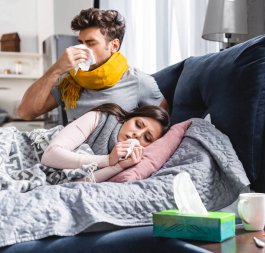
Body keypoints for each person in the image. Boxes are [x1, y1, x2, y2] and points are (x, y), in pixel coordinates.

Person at [17, 8, 168, 124]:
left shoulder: (138, 81)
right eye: (80, 43)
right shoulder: (69, 81)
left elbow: (162, 124)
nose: (82, 49)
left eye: (90, 43)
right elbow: (25, 113)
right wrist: (56, 69)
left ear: (114, 45)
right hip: (69, 156)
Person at [41, 103, 170, 183]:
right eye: (138, 124)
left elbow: (76, 184)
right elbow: (49, 155)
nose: (138, 134)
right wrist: (107, 160)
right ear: (128, 118)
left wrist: (117, 167)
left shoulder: (130, 160)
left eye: (147, 138)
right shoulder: (99, 118)